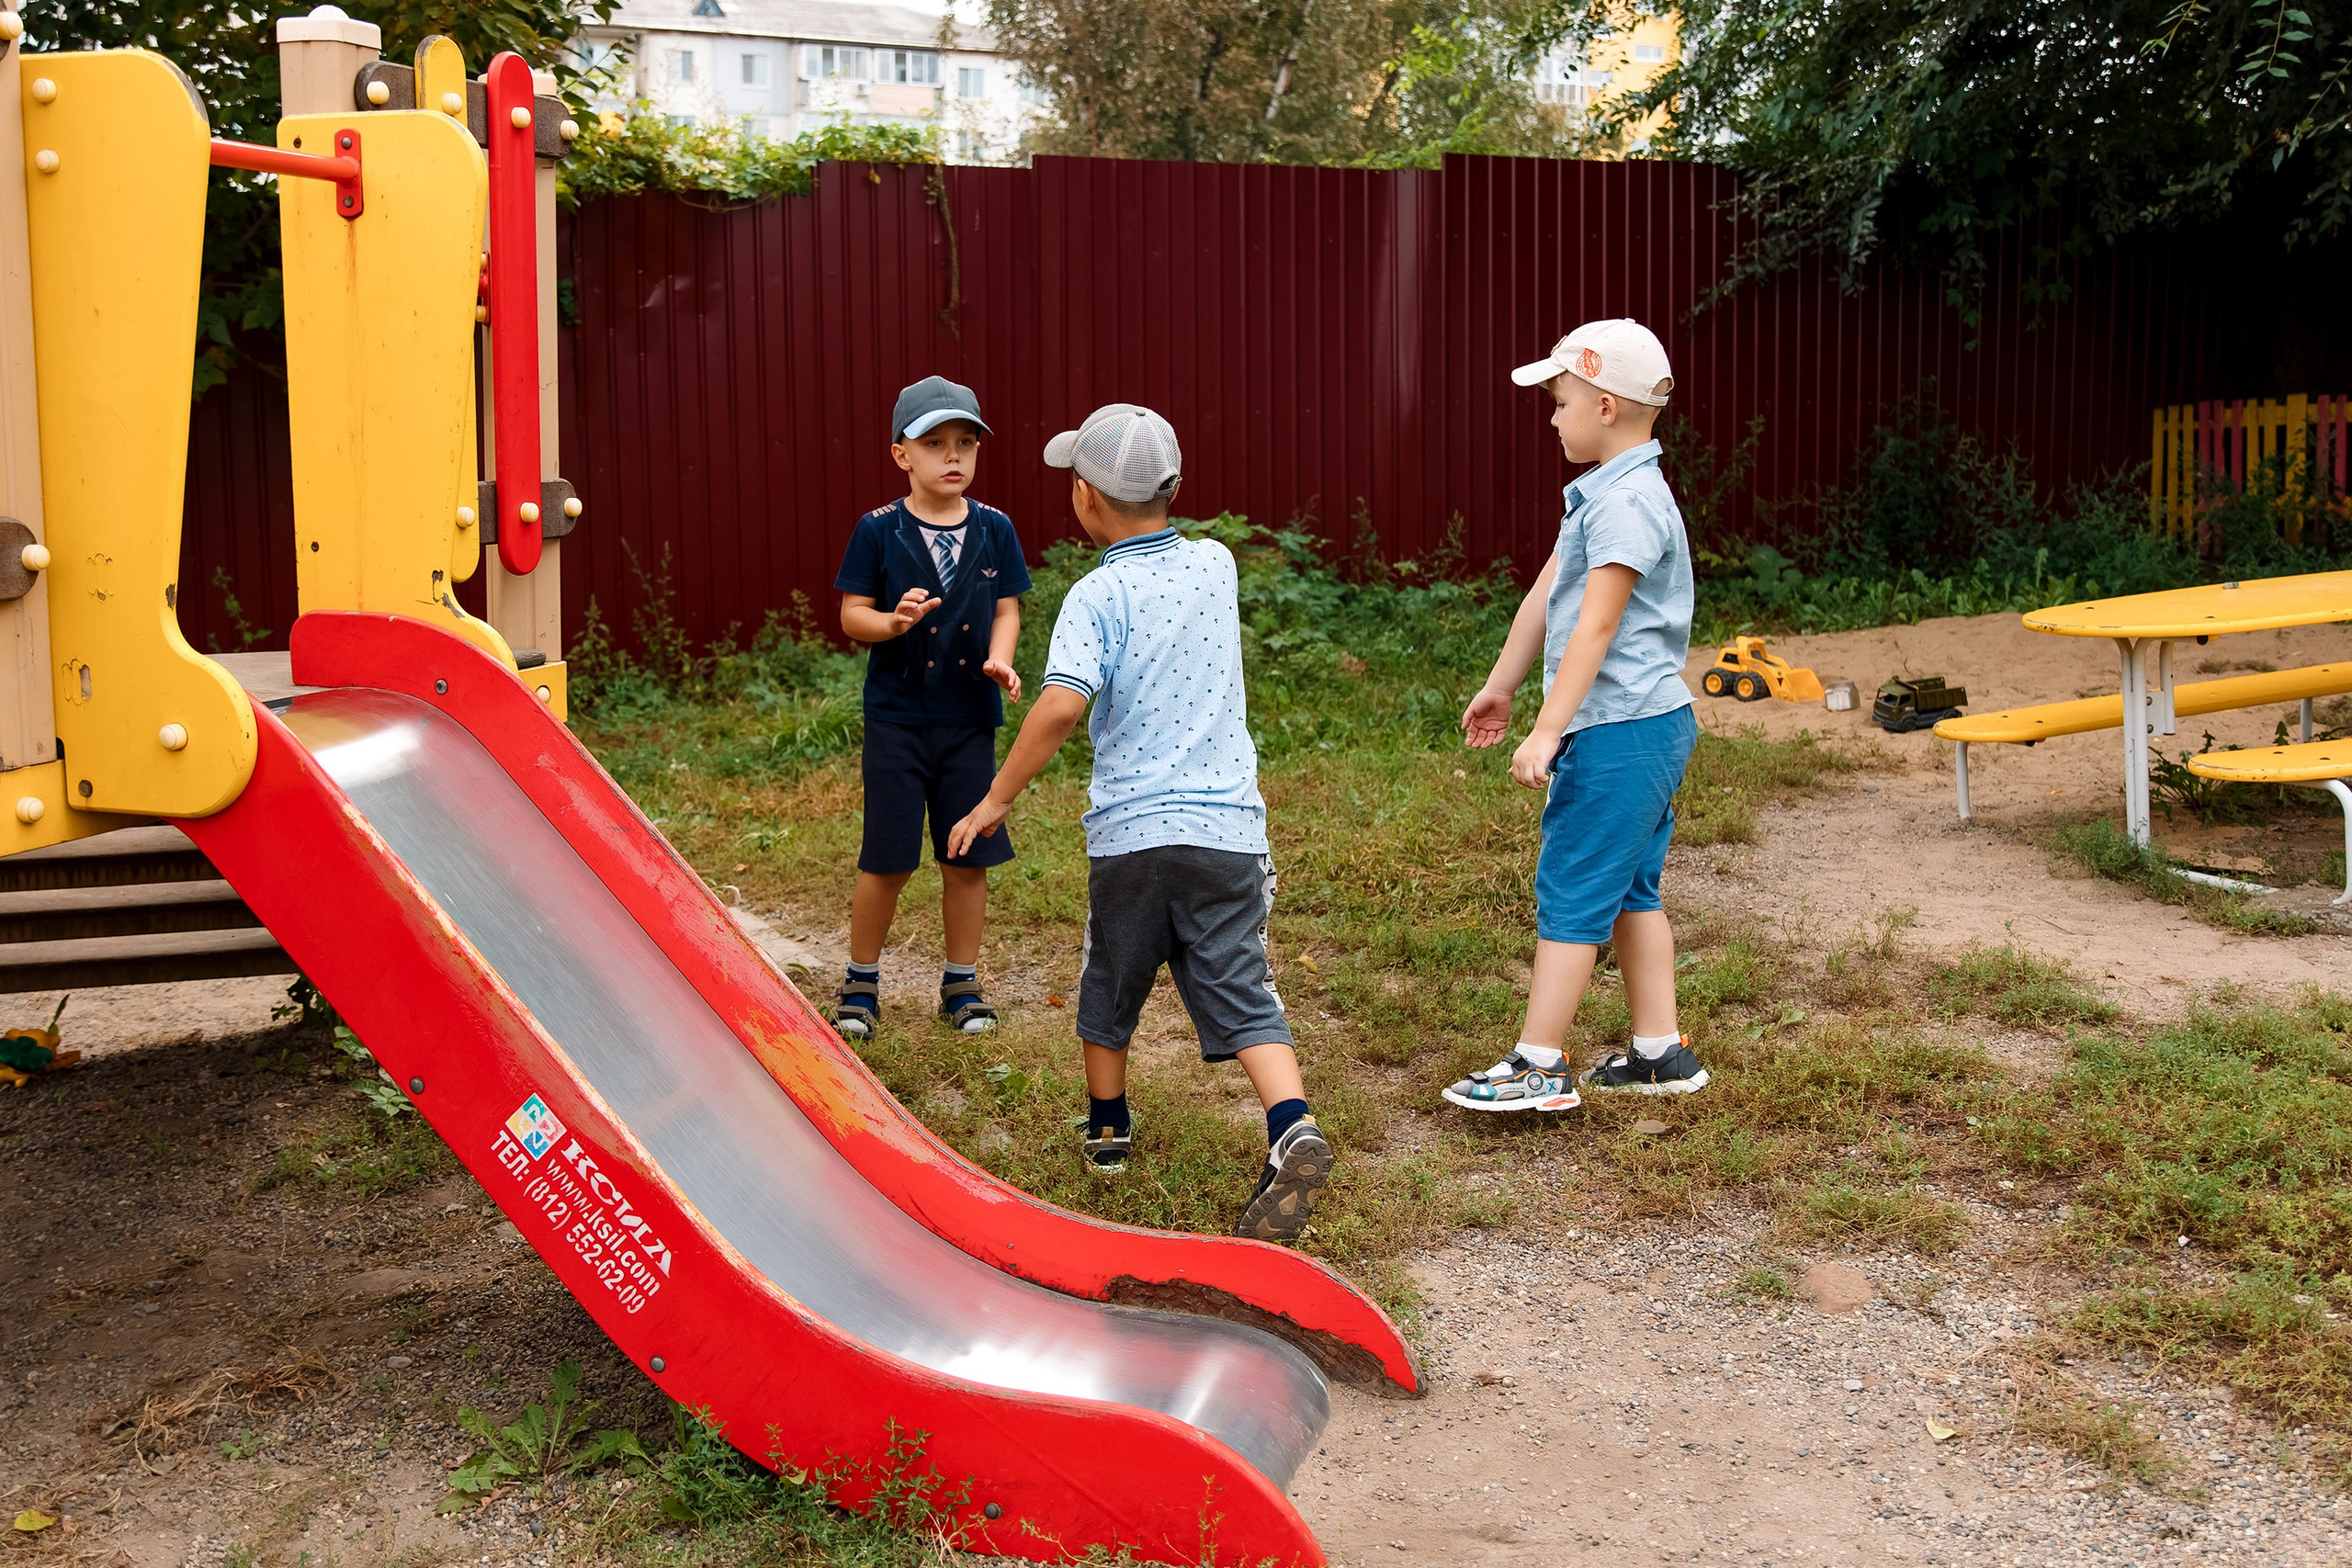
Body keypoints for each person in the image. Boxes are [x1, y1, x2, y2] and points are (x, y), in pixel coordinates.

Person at [944, 404, 1331, 1242]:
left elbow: (1059, 706)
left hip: (1132, 834)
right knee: (1241, 983)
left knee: (1112, 977)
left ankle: (1109, 1129)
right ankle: (1290, 1123)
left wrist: (997, 797)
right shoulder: (1217, 564)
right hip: (1227, 830)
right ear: (1173, 487)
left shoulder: (1095, 594)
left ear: (1085, 496)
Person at [1442, 320, 1710, 1111]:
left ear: (1604, 406)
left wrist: (1548, 729)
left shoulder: (1625, 504)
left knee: (1573, 888)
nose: (1553, 418)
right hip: (1646, 725)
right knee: (1630, 890)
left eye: (1560, 403)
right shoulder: (1604, 495)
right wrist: (1502, 685)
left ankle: (1538, 1064)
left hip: (1619, 730)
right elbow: (1547, 594)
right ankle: (1660, 1052)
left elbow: (1597, 624)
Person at [830, 375, 1032, 1040]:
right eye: (935, 443)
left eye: (965, 443)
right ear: (902, 455)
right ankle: (861, 981)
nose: (953, 456)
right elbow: (852, 615)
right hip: (897, 721)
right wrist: (892, 623)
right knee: (886, 859)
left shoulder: (996, 528)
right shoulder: (878, 530)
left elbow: (1008, 608)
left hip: (969, 721)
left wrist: (1001, 657)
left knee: (966, 857)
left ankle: (961, 983)